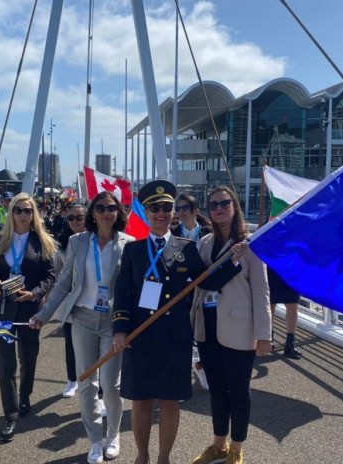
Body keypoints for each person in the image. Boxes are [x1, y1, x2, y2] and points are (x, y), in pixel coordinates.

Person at [111, 180, 245, 464]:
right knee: (141, 400)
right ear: (146, 212)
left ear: (174, 212)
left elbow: (208, 280)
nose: (161, 213)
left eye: (167, 208)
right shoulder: (133, 251)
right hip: (140, 335)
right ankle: (142, 456)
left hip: (175, 338)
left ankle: (163, 458)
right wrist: (120, 329)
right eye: (155, 208)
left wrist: (233, 262)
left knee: (170, 401)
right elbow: (122, 294)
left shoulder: (188, 249)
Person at [30, 193, 133, 464]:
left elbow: (132, 288)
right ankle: (95, 441)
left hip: (113, 321)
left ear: (118, 212)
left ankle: (113, 435)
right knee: (87, 382)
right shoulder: (78, 242)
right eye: (100, 208)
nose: (106, 213)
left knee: (111, 385)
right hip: (83, 319)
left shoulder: (129, 244)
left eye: (111, 208)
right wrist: (44, 314)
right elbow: (64, 283)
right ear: (93, 212)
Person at [190, 186, 272, 464]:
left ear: (234, 206)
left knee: (238, 390)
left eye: (225, 203)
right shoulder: (204, 242)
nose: (219, 208)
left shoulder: (251, 245)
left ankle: (236, 448)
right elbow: (202, 282)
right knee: (216, 389)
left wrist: (264, 334)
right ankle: (218, 445)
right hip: (207, 325)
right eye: (213, 205)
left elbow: (262, 292)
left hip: (239, 327)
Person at [0, 192, 56, 442]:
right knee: (4, 364)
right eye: (18, 210)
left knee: (29, 356)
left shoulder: (42, 241)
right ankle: (10, 415)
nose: (23, 215)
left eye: (28, 210)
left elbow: (50, 275)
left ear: (34, 214)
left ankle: (25, 395)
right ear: (11, 212)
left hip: (28, 308)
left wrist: (34, 294)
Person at [171, 193, 213, 390]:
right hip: (179, 290)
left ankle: (201, 366)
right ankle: (182, 378)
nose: (180, 212)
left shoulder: (208, 233)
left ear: (196, 211)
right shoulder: (171, 233)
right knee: (180, 334)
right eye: (177, 209)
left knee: (203, 332)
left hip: (203, 289)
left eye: (185, 208)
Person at [51, 204, 88, 399]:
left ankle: (94, 382)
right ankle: (72, 379)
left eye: (79, 218)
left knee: (94, 344)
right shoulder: (62, 243)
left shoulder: (95, 240)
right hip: (69, 300)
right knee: (70, 342)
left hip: (90, 300)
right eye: (71, 218)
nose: (74, 221)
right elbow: (57, 272)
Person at [268, 267, 302, 359]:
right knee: (270, 305)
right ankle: (268, 338)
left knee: (293, 306)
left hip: (292, 269)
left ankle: (290, 345)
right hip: (272, 266)